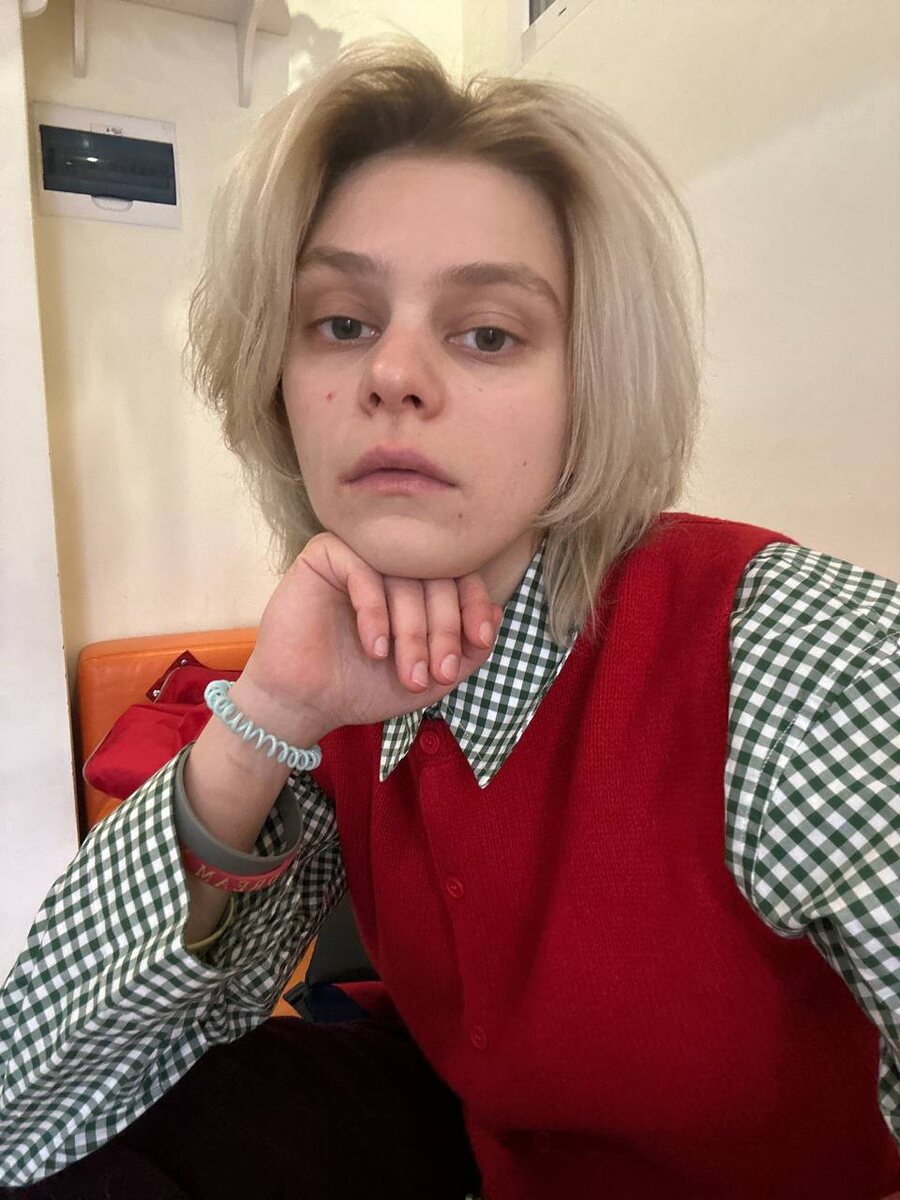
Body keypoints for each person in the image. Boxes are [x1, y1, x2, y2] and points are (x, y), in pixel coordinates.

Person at [1, 32, 899, 1200]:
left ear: (591, 388)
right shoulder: (342, 674)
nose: (394, 375)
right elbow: (33, 1111)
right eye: (342, 322)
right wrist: (269, 712)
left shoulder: (799, 660)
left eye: (488, 333)